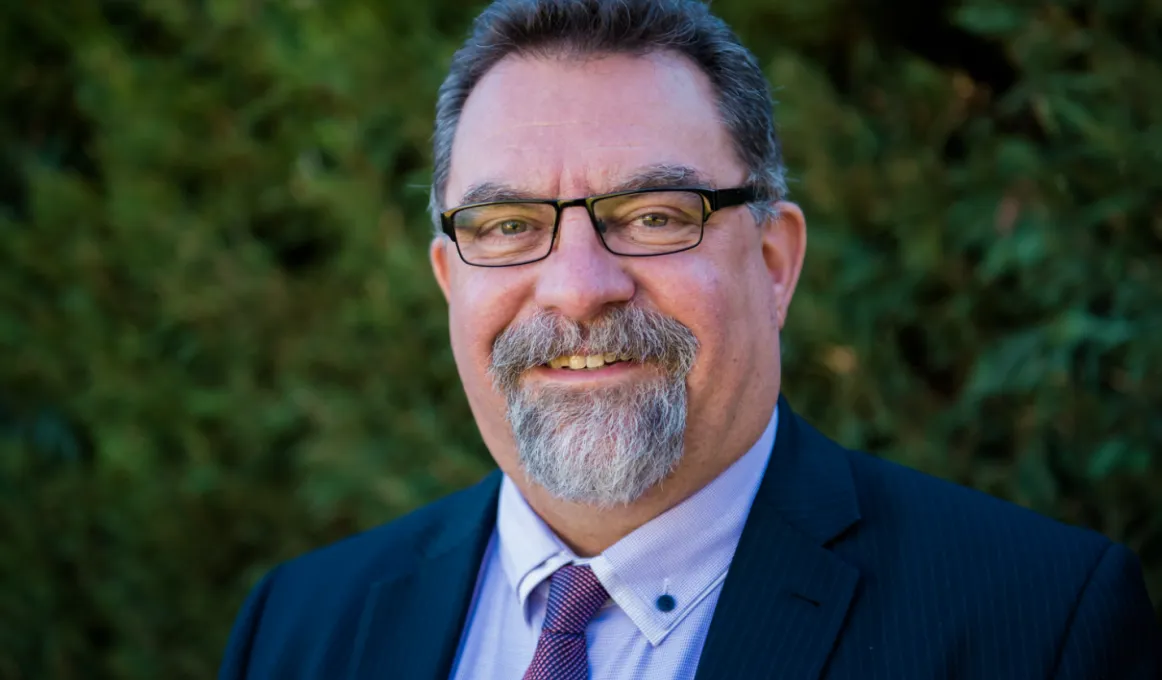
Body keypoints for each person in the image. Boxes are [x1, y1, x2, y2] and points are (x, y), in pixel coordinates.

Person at [218, 1, 1161, 678]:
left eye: (655, 215)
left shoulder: (1035, 626)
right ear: (449, 278)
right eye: (507, 226)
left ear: (775, 260)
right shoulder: (300, 628)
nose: (580, 288)